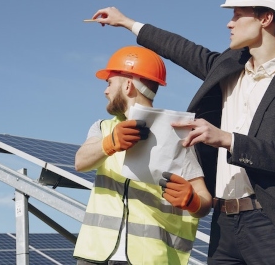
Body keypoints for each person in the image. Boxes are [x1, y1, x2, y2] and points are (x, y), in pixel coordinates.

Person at [89, 0, 275, 264]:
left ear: (265, 18)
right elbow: (181, 49)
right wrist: (127, 22)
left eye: (237, 15)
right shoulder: (227, 67)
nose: (229, 23)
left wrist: (227, 139)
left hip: (272, 226)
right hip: (223, 224)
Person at [73, 46, 212, 265]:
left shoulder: (178, 136)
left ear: (128, 85)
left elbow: (204, 200)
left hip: (149, 258)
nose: (105, 91)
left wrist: (193, 202)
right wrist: (110, 143)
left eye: (110, 82)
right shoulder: (103, 128)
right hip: (95, 255)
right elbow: (80, 162)